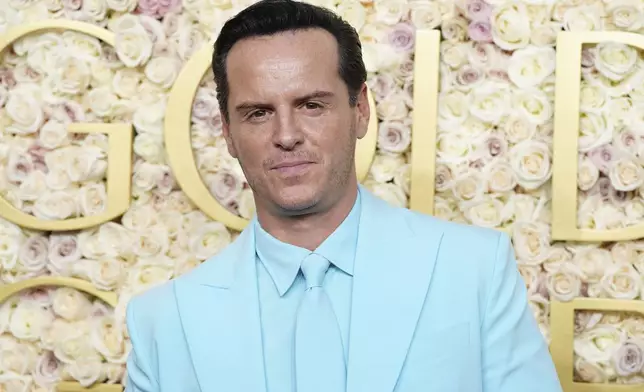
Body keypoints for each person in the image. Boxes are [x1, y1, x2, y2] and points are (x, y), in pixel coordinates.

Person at [124, 0, 563, 391]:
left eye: (311, 105)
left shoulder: (474, 271)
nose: (287, 135)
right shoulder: (164, 321)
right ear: (228, 134)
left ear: (361, 110)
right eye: (258, 113)